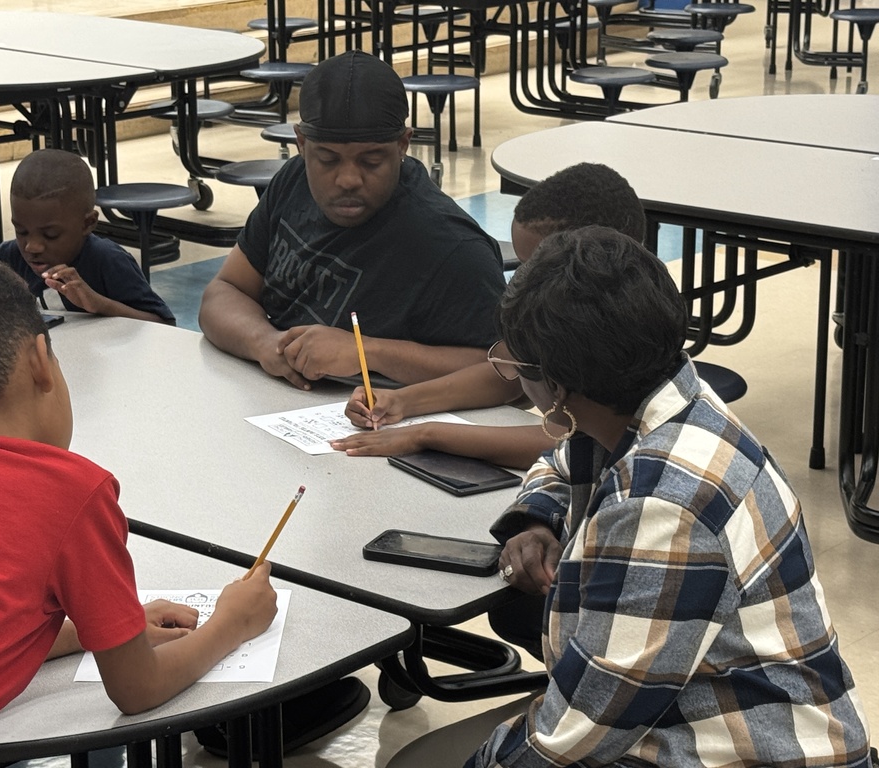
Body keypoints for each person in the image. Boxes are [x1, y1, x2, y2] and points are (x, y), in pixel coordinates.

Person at [466, 226, 872, 768]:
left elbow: (577, 735)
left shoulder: (662, 509)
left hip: (754, 749)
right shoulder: (664, 401)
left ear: (556, 387)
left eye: (514, 367)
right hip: (715, 715)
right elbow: (556, 464)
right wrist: (535, 520)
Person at [0, 257, 277, 768]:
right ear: (40, 360)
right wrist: (233, 622)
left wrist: (105, 630)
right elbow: (137, 689)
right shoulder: (73, 492)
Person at [198, 50, 506, 389]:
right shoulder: (293, 182)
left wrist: (367, 352)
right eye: (328, 160)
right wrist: (264, 342)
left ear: (403, 145)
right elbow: (224, 291)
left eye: (371, 161)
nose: (348, 179)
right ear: (301, 143)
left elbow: (507, 373)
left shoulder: (453, 247)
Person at [332, 163, 646, 470]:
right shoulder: (563, 309)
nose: (522, 281)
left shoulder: (627, 331)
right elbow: (505, 374)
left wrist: (427, 435)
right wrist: (401, 401)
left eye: (538, 269)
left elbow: (580, 444)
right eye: (522, 265)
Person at [0, 148, 176, 325]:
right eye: (21, 231)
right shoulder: (4, 260)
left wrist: (98, 304)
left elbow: (164, 325)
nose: (32, 247)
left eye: (50, 235)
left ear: (88, 224)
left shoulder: (108, 260)